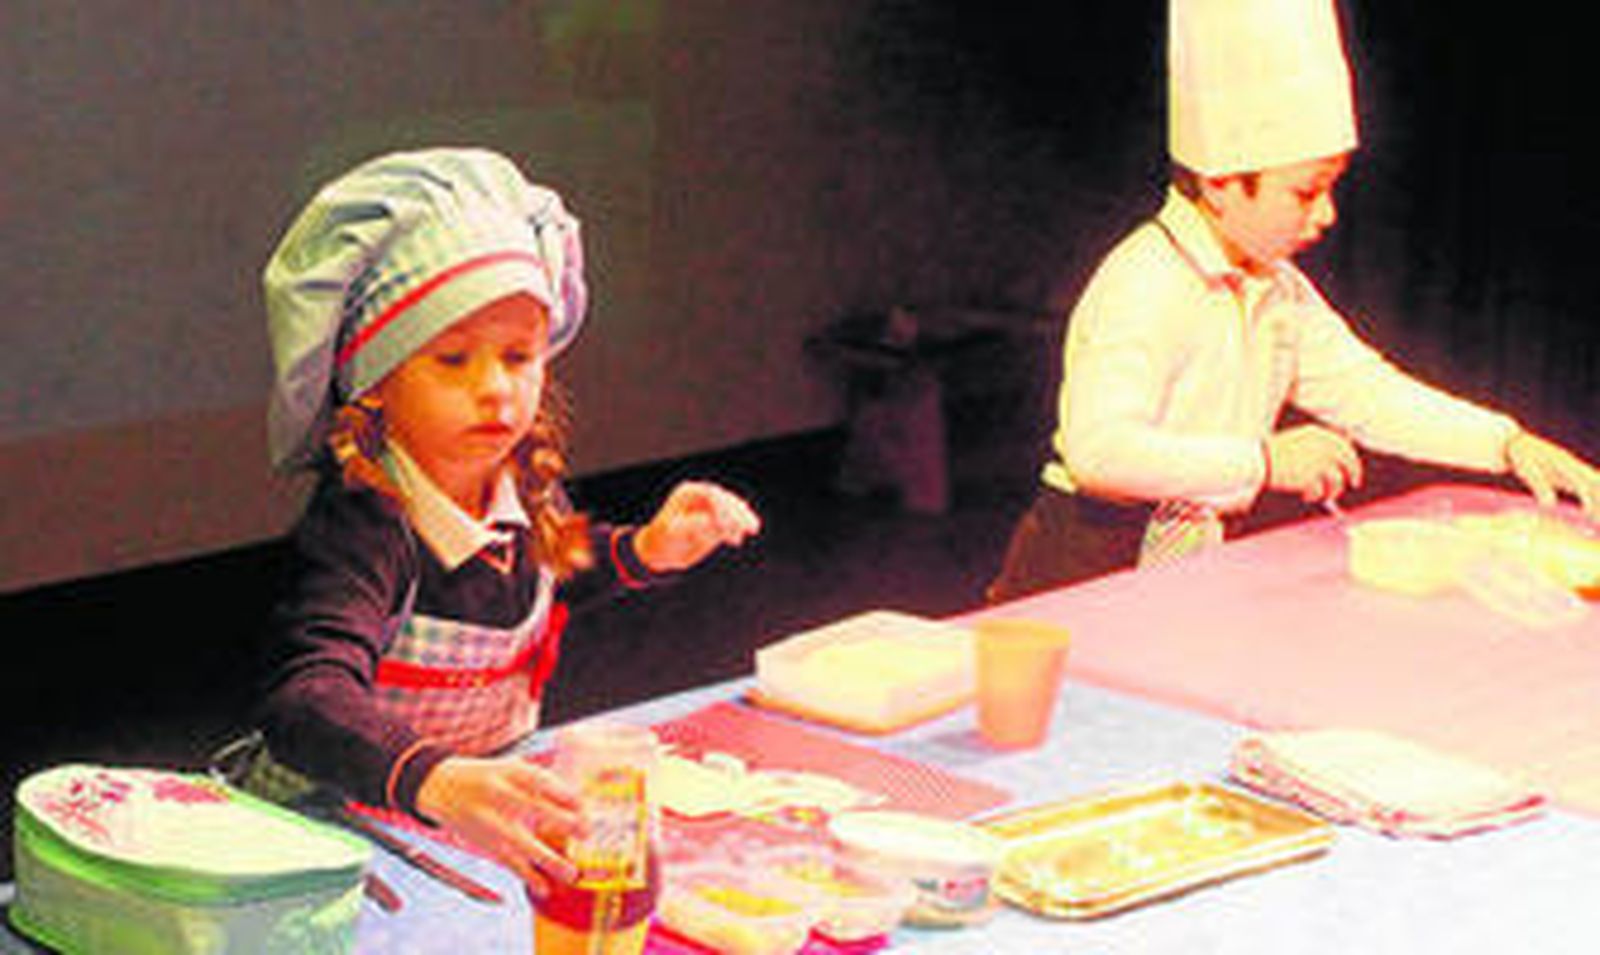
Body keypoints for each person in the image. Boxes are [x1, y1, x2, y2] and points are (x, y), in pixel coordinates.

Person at [246, 147, 760, 896]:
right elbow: (306, 697)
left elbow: (551, 566)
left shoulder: (514, 483)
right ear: (377, 384)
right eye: (453, 360)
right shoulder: (367, 522)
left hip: (457, 818)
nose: (495, 390)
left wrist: (647, 547)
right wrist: (435, 778)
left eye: (518, 356)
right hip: (331, 834)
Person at [988, 0, 1600, 603]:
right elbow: (1102, 452)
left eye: (1330, 189)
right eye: (1305, 193)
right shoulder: (1146, 281)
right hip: (1087, 562)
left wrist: (1507, 443)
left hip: (1192, 563)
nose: (1326, 215)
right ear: (1222, 184)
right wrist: (1265, 462)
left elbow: (1368, 393)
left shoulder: (1276, 288)